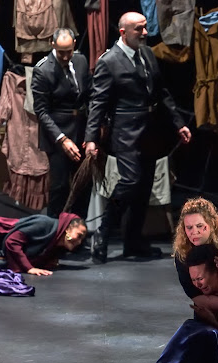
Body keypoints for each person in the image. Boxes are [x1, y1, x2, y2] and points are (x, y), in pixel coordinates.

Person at [84, 12, 191, 264]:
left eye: (145, 28)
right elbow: (97, 103)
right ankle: (103, 232)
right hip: (125, 131)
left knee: (143, 188)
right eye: (138, 29)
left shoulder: (147, 54)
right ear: (123, 32)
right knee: (130, 182)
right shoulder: (109, 61)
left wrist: (178, 124)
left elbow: (162, 92)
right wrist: (91, 138)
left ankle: (133, 241)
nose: (145, 33)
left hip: (149, 131)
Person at [32, 28, 91, 220]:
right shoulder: (43, 70)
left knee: (83, 184)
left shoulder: (81, 60)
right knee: (59, 188)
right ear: (53, 45)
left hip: (81, 130)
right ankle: (53, 235)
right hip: (58, 134)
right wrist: (62, 139)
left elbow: (89, 94)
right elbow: (41, 111)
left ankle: (77, 231)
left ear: (74, 44)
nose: (65, 57)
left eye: (69, 51)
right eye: (61, 52)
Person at [0, 213, 87, 275]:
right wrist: (29, 268)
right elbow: (12, 241)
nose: (79, 242)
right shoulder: (44, 223)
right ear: (68, 229)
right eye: (79, 235)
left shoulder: (54, 244)